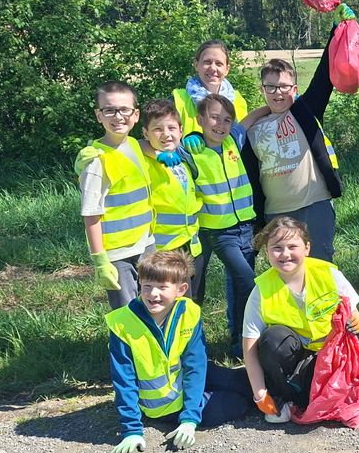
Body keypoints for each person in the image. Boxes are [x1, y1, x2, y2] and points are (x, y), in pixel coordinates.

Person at [105, 251, 254, 453]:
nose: (153, 294)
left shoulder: (188, 312)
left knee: (244, 381)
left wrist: (190, 417)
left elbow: (195, 365)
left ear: (181, 290)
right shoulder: (122, 324)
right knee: (237, 403)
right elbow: (124, 380)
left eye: (162, 287)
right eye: (147, 286)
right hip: (166, 405)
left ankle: (286, 398)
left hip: (183, 378)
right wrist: (131, 430)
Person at [242, 16, 350, 263]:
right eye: (270, 87)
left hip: (315, 204)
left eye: (284, 86)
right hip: (275, 212)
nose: (277, 92)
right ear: (262, 89)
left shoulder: (305, 113)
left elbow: (324, 77)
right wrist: (257, 114)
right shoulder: (252, 129)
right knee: (285, 269)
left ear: (295, 89)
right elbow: (229, 138)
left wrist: (337, 29)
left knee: (320, 266)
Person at [242, 216, 359, 425]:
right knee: (273, 338)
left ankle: (313, 396)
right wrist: (260, 394)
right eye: (277, 248)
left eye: (292, 246)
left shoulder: (328, 273)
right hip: (293, 364)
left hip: (328, 357)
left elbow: (354, 313)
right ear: (267, 253)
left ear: (307, 248)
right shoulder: (260, 290)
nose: (285, 254)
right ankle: (285, 397)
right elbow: (250, 349)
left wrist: (356, 321)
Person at [77, 81, 154, 309]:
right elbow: (91, 215)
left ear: (136, 115)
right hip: (119, 255)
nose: (118, 116)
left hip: (146, 244)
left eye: (124, 109)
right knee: (127, 315)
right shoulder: (96, 161)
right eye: (109, 110)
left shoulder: (135, 145)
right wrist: (100, 260)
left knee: (152, 307)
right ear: (98, 115)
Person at [193, 94, 257, 355]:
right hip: (218, 232)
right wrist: (185, 140)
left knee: (243, 288)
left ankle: (239, 343)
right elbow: (156, 142)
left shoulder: (233, 140)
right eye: (214, 118)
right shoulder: (191, 151)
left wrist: (273, 106)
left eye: (227, 120)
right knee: (248, 283)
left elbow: (249, 120)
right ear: (200, 120)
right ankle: (193, 345)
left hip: (246, 227)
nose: (220, 124)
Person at [139, 100, 203, 299]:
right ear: (145, 133)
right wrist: (156, 153)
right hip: (163, 249)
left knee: (193, 299)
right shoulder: (143, 162)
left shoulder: (183, 157)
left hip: (192, 245)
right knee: (173, 301)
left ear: (181, 130)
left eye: (172, 128)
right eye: (157, 129)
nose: (166, 134)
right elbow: (129, 145)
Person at [172, 39, 248, 146]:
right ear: (196, 64)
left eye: (219, 64)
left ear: (227, 69)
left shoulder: (238, 101)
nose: (213, 68)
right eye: (207, 62)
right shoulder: (176, 101)